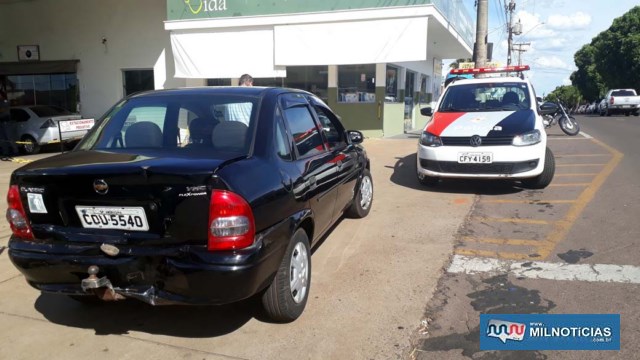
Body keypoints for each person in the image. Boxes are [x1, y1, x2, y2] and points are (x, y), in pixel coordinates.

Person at [0, 91, 18, 157]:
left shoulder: (5, 102)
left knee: (9, 137)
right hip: (1, 123)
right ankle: (5, 152)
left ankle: (15, 151)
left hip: (6, 122)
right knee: (2, 138)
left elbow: (2, 110)